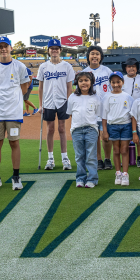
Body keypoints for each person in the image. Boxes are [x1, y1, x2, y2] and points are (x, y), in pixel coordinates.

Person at [0, 37, 31, 192]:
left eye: (6, 46)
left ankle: (16, 176)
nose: (3, 49)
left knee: (14, 143)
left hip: (14, 113)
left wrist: (12, 101)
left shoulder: (19, 66)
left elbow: (24, 88)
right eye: (0, 46)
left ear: (11, 48)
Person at [37, 39, 75, 170]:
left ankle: (65, 158)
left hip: (62, 101)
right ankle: (50, 158)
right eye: (51, 48)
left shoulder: (67, 66)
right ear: (48, 51)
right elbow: (40, 88)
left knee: (62, 129)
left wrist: (69, 102)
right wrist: (40, 104)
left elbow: (69, 86)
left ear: (60, 50)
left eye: (56, 48)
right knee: (50, 129)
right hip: (48, 102)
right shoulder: (43, 67)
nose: (54, 50)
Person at [67, 71, 102, 188]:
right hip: (76, 130)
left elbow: (98, 115)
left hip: (91, 130)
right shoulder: (72, 97)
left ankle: (92, 179)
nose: (83, 83)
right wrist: (76, 126)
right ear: (77, 82)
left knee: (91, 156)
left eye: (86, 80)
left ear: (91, 82)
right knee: (79, 156)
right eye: (81, 81)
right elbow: (71, 113)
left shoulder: (96, 98)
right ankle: (80, 178)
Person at [82, 45, 113, 170]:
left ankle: (107, 159)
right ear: (88, 56)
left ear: (101, 57)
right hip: (91, 109)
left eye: (97, 54)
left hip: (106, 108)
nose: (95, 56)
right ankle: (98, 159)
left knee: (106, 135)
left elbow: (112, 89)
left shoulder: (107, 71)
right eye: (92, 54)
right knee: (94, 136)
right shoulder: (84, 72)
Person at [101, 72, 135, 186]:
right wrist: (104, 131)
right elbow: (104, 116)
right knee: (115, 150)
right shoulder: (107, 97)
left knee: (124, 150)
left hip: (126, 125)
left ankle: (125, 174)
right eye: (113, 82)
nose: (116, 85)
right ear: (110, 83)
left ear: (122, 82)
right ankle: (118, 173)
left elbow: (132, 115)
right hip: (113, 126)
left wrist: (134, 131)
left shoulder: (127, 97)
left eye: (118, 82)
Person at [121, 57, 140, 167]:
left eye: (133, 66)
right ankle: (125, 157)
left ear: (137, 68)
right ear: (125, 68)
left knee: (138, 135)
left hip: (139, 112)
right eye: (129, 66)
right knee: (125, 136)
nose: (131, 68)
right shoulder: (122, 79)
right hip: (124, 111)